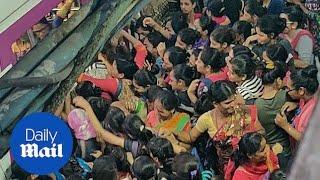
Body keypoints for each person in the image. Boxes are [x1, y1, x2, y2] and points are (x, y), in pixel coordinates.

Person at [175, 80, 264, 174]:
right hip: (227, 168)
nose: (233, 104)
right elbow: (190, 137)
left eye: (234, 99)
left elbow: (261, 132)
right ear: (215, 104)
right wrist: (173, 132)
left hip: (253, 163)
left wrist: (248, 140)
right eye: (228, 102)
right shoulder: (206, 119)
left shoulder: (245, 112)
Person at [255, 61, 292, 169]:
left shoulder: (257, 103)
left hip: (269, 150)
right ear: (278, 80)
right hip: (287, 147)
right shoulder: (285, 96)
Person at [275, 65, 319, 146]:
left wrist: (285, 126)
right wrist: (296, 105)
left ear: (301, 90)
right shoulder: (305, 97)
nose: (287, 91)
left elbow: (308, 141)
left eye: (289, 89)